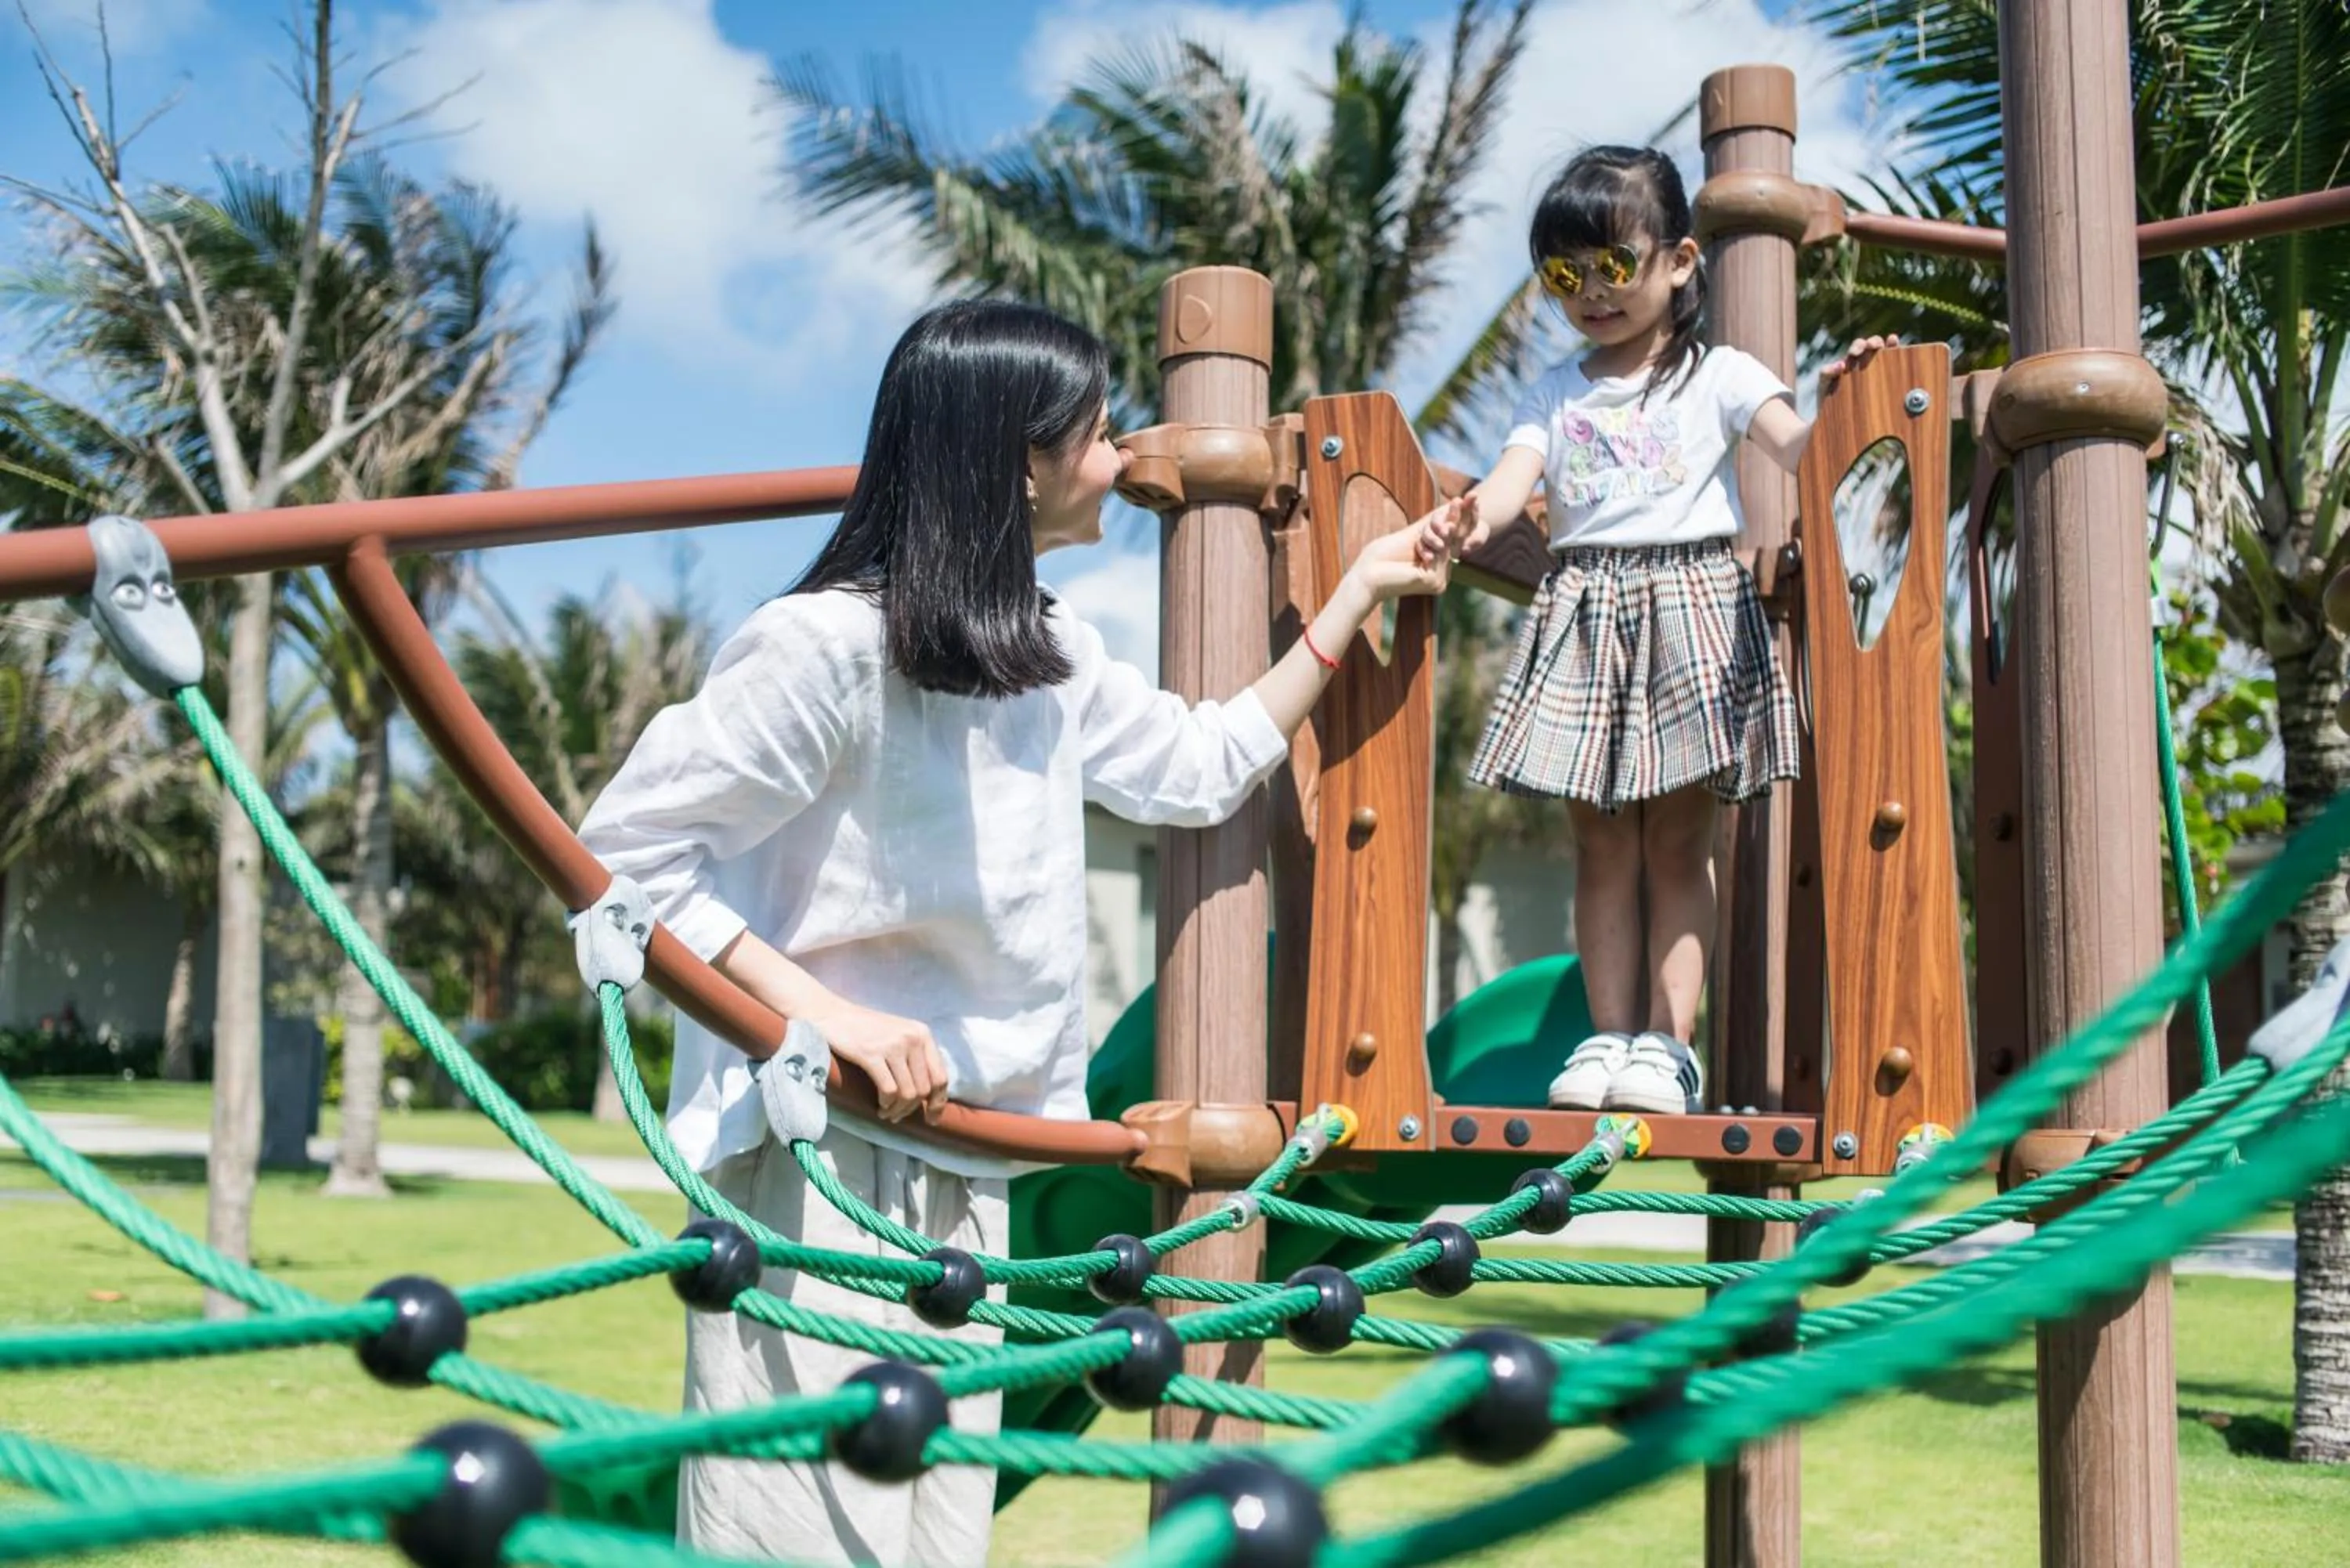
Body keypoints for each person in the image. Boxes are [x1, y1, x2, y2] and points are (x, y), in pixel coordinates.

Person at [577, 298, 1454, 1567]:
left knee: (932, 1540)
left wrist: (1356, 592)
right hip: (822, 1163)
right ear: (1017, 462)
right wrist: (825, 1013)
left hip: (967, 1167)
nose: (1118, 461)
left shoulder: (1042, 659)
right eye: (1095, 436)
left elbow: (1198, 765)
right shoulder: (825, 650)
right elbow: (624, 857)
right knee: (802, 1536)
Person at [1436, 144, 1889, 1117]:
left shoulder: (1719, 374)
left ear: (1680, 262)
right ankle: (1607, 1036)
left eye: (1614, 264)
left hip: (1691, 609)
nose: (1591, 291)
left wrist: (1844, 400)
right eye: (1565, 274)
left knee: (1679, 844)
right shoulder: (1554, 394)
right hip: (1590, 611)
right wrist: (1464, 518)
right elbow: (1510, 491)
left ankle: (1667, 1045)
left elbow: (1800, 446)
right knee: (1600, 845)